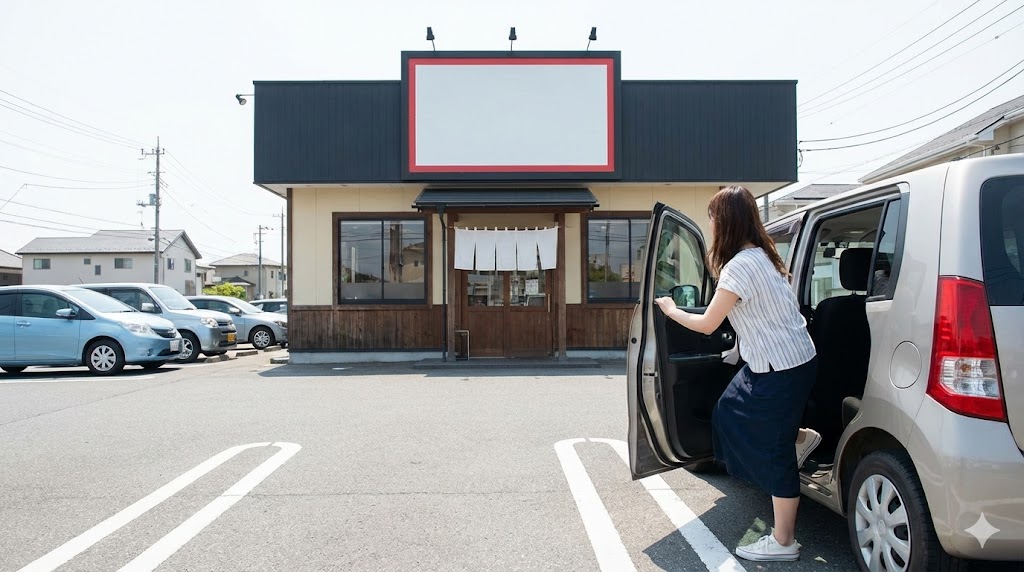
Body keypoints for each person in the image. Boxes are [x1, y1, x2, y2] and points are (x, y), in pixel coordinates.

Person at [654, 185, 821, 562]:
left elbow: (708, 324)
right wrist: (738, 348)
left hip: (780, 368)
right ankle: (799, 438)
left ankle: (783, 541)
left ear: (725, 222)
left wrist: (671, 310)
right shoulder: (764, 255)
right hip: (792, 360)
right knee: (728, 411)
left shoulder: (739, 267)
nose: (710, 224)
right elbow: (763, 313)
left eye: (713, 218)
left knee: (773, 450)